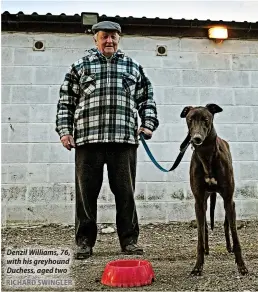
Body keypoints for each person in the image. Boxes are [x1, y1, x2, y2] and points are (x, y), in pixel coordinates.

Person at [55, 21, 159, 259]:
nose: (109, 41)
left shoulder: (132, 66)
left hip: (123, 140)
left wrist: (148, 123)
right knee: (85, 195)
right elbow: (66, 102)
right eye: (104, 37)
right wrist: (64, 131)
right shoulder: (80, 66)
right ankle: (84, 242)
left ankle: (129, 241)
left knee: (125, 193)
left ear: (119, 39)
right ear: (95, 39)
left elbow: (147, 98)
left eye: (113, 37)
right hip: (88, 140)